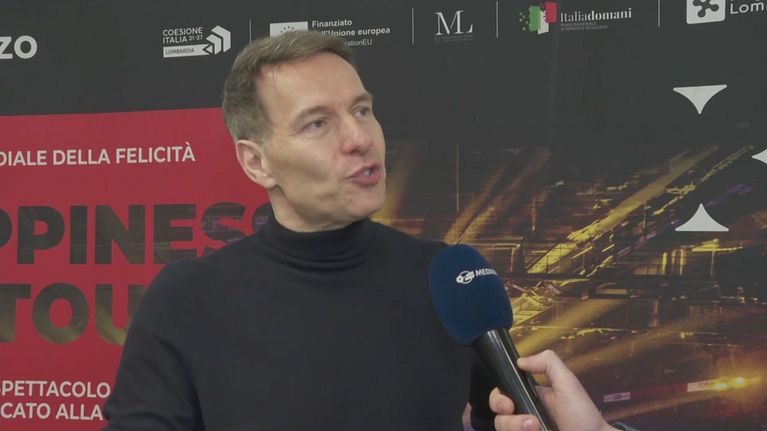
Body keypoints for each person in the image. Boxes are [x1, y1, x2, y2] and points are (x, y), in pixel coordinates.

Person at [103, 30, 622, 431]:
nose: (359, 137)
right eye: (317, 123)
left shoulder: (447, 279)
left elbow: (507, 420)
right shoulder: (188, 298)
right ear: (257, 162)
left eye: (362, 110)